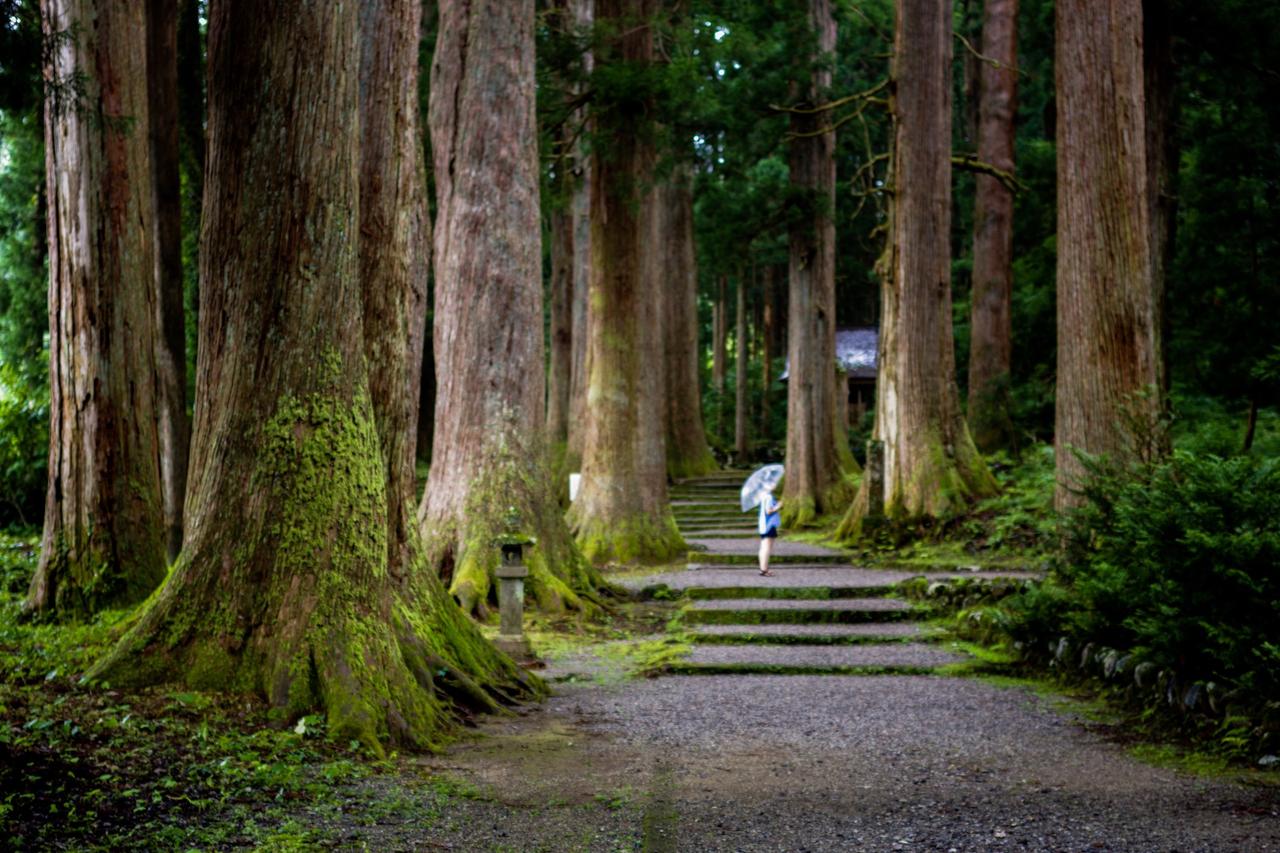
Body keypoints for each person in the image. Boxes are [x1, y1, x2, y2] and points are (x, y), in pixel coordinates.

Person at [757, 490, 782, 576]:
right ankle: (764, 569)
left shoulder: (762, 496)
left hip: (763, 525)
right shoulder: (769, 497)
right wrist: (778, 506)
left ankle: (762, 568)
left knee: (763, 546)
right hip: (769, 524)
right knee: (767, 547)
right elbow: (768, 511)